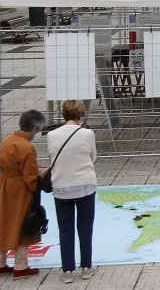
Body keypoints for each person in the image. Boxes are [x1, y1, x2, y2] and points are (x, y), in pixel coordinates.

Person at [47, 100, 97, 283]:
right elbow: (93, 157)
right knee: (85, 229)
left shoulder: (52, 135)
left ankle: (67, 270)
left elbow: (51, 157)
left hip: (61, 187)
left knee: (65, 230)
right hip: (85, 185)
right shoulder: (87, 134)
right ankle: (86, 267)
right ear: (80, 115)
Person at [0, 109, 46, 280]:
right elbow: (31, 179)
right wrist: (45, 173)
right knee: (23, 223)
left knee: (4, 222)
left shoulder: (8, 140)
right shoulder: (27, 147)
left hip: (5, 185)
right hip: (20, 190)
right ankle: (21, 266)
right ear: (34, 129)